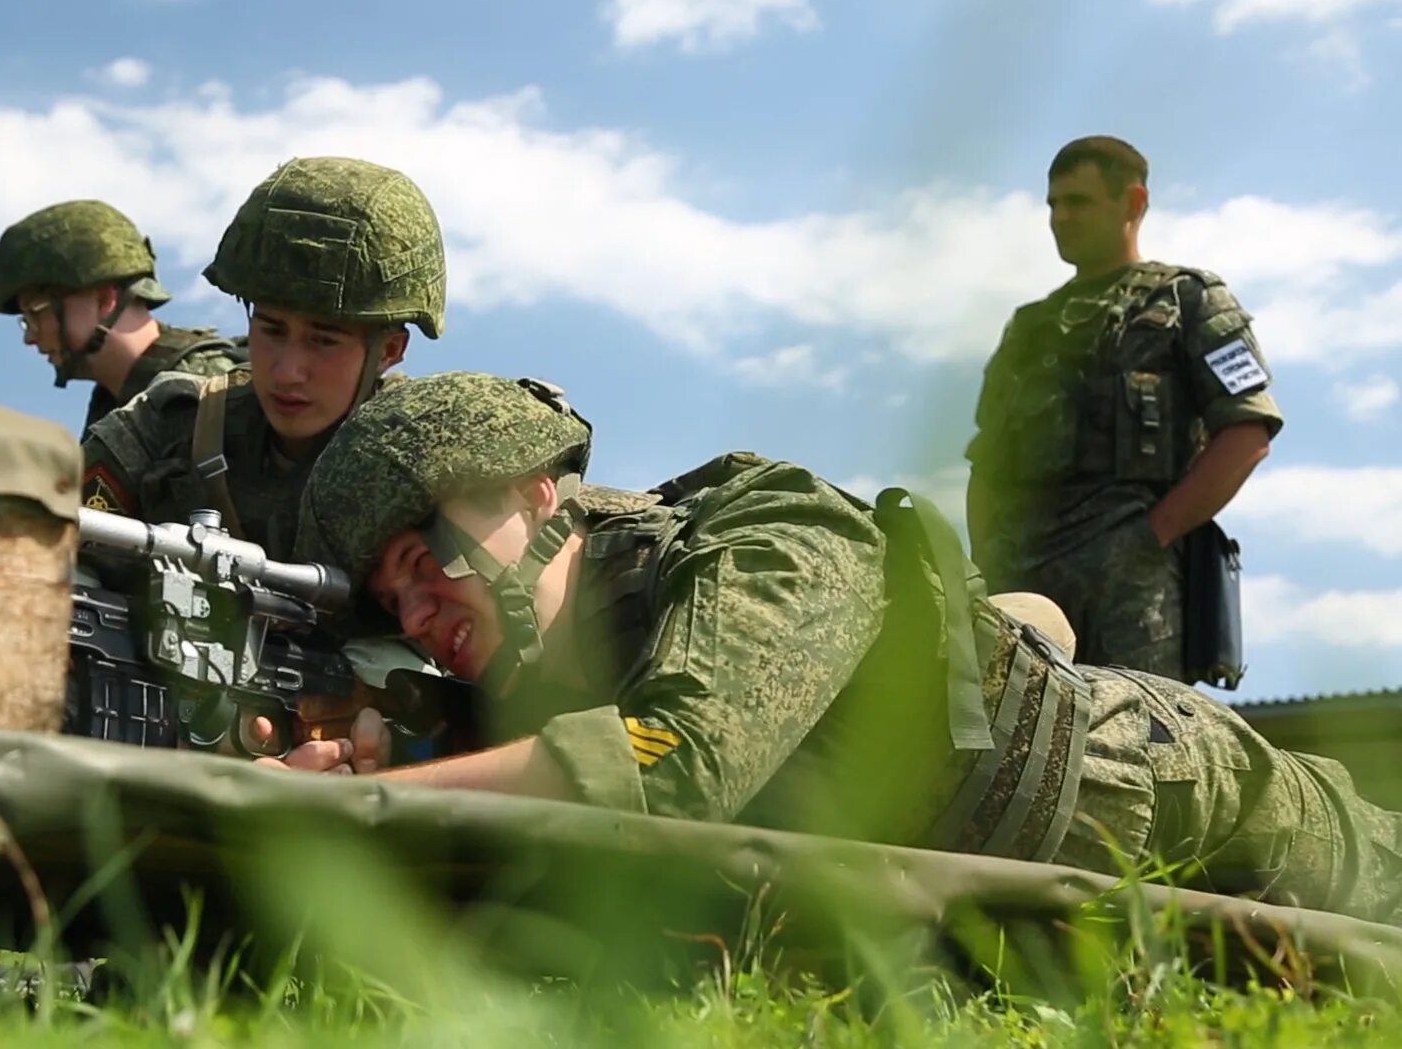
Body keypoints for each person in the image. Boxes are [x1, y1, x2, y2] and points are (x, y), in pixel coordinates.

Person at [279, 371, 1402, 926]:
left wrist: (373, 802)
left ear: (534, 490)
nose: (420, 615)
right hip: (999, 905)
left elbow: (672, 763)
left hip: (1159, 782)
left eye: (429, 562)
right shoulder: (523, 683)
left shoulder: (768, 535)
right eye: (393, 604)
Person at [964, 136, 1282, 681]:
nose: (1060, 218)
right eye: (1053, 205)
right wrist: (989, 570)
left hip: (1134, 597)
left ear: (1133, 204)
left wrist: (1150, 536)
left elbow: (1247, 432)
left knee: (1137, 750)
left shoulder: (1189, 300)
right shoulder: (1029, 329)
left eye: (1078, 202)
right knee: (1019, 755)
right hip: (1024, 591)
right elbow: (987, 467)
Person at [79, 156, 445, 554]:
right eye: (272, 329)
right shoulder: (168, 428)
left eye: (323, 341)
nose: (287, 372)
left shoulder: (427, 466)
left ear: (388, 351)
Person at [0, 199, 242, 437]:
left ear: (104, 298)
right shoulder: (114, 404)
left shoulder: (208, 390)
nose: (30, 337)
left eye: (36, 312)